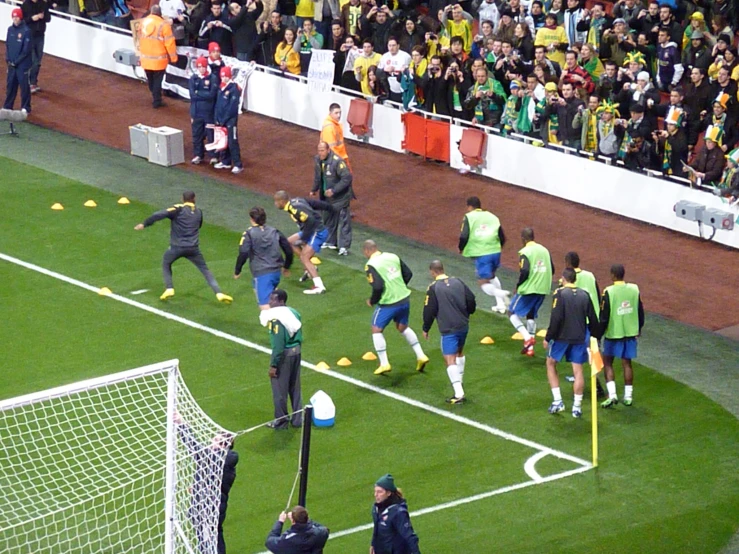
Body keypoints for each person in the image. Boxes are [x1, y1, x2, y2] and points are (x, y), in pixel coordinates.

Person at [134, 191, 233, 304]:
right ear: (194, 199)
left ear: (182, 199)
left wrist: (145, 224)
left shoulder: (178, 209)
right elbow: (199, 226)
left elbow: (159, 214)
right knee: (205, 270)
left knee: (166, 262)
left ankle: (169, 288)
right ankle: (218, 293)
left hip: (177, 247)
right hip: (193, 248)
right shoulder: (198, 212)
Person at [173, 411, 238, 554]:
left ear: (223, 445)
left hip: (211, 508)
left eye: (215, 440)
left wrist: (181, 424)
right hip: (203, 505)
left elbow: (196, 449)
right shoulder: (214, 460)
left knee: (211, 538)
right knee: (206, 537)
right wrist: (197, 487)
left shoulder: (225, 460)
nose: (210, 443)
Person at [363, 240, 429, 376]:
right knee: (402, 327)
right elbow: (408, 274)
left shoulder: (370, 265)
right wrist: (398, 287)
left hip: (388, 302)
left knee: (376, 329)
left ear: (367, 251)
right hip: (404, 298)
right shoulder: (392, 256)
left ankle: (384, 363)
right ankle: (421, 355)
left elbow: (378, 286)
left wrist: (373, 300)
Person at [542, 268, 600, 417]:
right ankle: (577, 407)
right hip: (580, 337)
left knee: (550, 363)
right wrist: (594, 336)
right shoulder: (584, 295)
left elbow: (556, 318)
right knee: (578, 370)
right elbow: (593, 319)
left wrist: (548, 337)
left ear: (564, 279)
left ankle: (558, 401)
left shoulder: (560, 294)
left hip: (562, 337)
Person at [422, 260, 476, 404]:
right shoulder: (458, 281)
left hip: (449, 328)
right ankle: (460, 381)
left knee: (449, 359)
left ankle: (458, 393)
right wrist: (468, 313)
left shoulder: (433, 288)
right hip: (463, 325)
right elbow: (471, 299)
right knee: (459, 353)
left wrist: (426, 328)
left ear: (432, 272)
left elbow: (429, 310)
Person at [599, 263, 644, 408]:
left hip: (614, 333)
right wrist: (639, 328)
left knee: (607, 363)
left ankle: (612, 395)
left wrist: (598, 334)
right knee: (627, 363)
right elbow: (640, 311)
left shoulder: (608, 292)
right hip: (630, 333)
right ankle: (628, 396)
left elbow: (604, 316)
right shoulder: (634, 289)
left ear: (612, 275)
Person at [273, 190, 332, 294]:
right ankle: (309, 269)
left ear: (282, 201)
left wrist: (303, 238)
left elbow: (311, 220)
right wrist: (329, 207)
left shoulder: (294, 208)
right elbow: (313, 203)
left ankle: (319, 286)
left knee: (305, 257)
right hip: (310, 230)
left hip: (317, 232)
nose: (275, 204)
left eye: (276, 201)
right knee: (289, 242)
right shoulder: (297, 201)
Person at [234, 206, 293, 310]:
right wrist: (286, 266)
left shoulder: (249, 233)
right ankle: (281, 318)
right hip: (276, 273)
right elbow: (288, 250)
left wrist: (237, 270)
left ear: (252, 219)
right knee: (267, 297)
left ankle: (280, 324)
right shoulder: (274, 231)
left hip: (262, 273)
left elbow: (243, 252)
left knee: (265, 307)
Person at [261, 289, 304, 429]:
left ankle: (281, 421)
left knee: (279, 390)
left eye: (273, 299)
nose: (270, 302)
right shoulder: (293, 312)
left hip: (284, 355)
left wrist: (274, 365)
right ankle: (298, 420)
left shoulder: (276, 319)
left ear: (281, 301)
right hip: (296, 352)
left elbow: (278, 345)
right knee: (295, 387)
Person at [508, 227, 553, 357]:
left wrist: (518, 285)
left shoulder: (525, 252)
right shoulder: (544, 250)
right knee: (531, 314)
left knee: (511, 311)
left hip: (529, 289)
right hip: (543, 288)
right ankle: (530, 349)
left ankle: (527, 338)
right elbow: (552, 268)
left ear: (523, 238)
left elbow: (525, 270)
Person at [458, 196, 508, 313]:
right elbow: (502, 236)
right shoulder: (492, 217)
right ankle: (501, 305)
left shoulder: (469, 217)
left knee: (482, 281)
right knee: (491, 276)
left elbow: (464, 235)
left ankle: (501, 293)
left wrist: (461, 248)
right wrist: (496, 248)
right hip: (495, 251)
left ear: (469, 207)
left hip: (482, 253)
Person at [311, 141, 353, 255]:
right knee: (328, 218)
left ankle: (344, 246)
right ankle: (330, 241)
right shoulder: (318, 160)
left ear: (328, 150)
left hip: (341, 197)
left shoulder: (337, 161)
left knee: (344, 221)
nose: (320, 153)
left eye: (322, 150)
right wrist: (314, 189)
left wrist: (334, 190)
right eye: (319, 150)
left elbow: (347, 178)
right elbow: (317, 176)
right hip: (326, 196)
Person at [139, 5, 178, 109]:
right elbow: (169, 43)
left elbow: (138, 39)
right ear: (160, 13)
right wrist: (173, 58)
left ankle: (155, 95)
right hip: (159, 60)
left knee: (150, 79)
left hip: (145, 59)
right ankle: (157, 100)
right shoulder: (164, 25)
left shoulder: (143, 22)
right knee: (157, 81)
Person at [371, 474, 421, 554]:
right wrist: (373, 545)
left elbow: (409, 536)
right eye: (375, 491)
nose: (376, 495)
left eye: (380, 492)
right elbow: (376, 530)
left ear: (388, 493)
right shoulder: (376, 509)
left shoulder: (398, 512)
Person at [189, 56, 218, 166]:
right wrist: (199, 95)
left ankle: (213, 156)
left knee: (211, 134)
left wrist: (198, 93)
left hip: (209, 113)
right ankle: (198, 155)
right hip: (196, 112)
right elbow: (192, 95)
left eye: (203, 67)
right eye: (199, 67)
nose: (201, 69)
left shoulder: (212, 78)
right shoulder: (193, 78)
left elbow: (211, 95)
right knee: (197, 134)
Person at [214, 66, 244, 174]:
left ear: (229, 76)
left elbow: (232, 108)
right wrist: (217, 118)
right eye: (222, 76)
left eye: (226, 76)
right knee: (223, 141)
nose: (224, 78)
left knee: (232, 142)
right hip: (221, 120)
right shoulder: (221, 88)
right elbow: (217, 105)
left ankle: (238, 164)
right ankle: (225, 162)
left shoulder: (234, 88)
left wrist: (224, 119)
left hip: (230, 121)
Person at [265, 506, 329, 553]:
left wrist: (280, 521)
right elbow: (325, 529)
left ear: (292, 520)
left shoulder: (288, 540)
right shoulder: (321, 533)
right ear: (307, 517)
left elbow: (269, 542)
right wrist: (307, 520)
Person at [4, 9, 32, 114]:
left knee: (24, 86)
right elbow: (7, 45)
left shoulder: (26, 31)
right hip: (11, 64)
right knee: (10, 85)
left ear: (20, 17)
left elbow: (26, 50)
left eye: (17, 17)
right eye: (13, 17)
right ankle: (8, 106)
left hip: (22, 65)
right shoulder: (10, 30)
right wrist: (8, 59)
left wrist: (16, 61)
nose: (15, 19)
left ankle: (26, 107)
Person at [20, 0, 50, 95]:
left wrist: (43, 17)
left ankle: (33, 82)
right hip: (29, 36)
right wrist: (32, 18)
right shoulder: (25, 5)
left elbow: (48, 18)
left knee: (38, 61)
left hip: (40, 35)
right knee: (34, 61)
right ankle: (30, 83)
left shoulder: (43, 4)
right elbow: (22, 20)